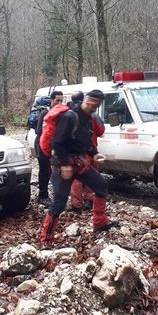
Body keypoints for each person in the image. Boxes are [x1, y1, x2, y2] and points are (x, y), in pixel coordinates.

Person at [39, 89, 120, 247]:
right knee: (59, 204)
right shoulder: (70, 117)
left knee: (101, 185)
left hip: (79, 163)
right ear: (89, 101)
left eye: (97, 105)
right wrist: (65, 165)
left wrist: (94, 153)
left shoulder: (88, 118)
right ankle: (46, 240)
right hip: (63, 165)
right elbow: (57, 143)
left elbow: (85, 140)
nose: (95, 108)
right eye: (95, 104)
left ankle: (99, 222)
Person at [69, 90, 105, 211]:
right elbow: (100, 131)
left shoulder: (70, 112)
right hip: (90, 149)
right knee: (93, 178)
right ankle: (90, 200)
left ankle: (76, 204)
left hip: (78, 153)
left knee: (76, 179)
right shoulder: (93, 115)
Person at [34, 90, 63, 206]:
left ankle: (51, 194)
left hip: (53, 145)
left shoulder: (60, 113)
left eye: (61, 100)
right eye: (57, 100)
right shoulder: (45, 113)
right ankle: (43, 195)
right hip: (42, 144)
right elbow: (39, 131)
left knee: (53, 171)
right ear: (51, 100)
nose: (59, 103)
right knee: (44, 170)